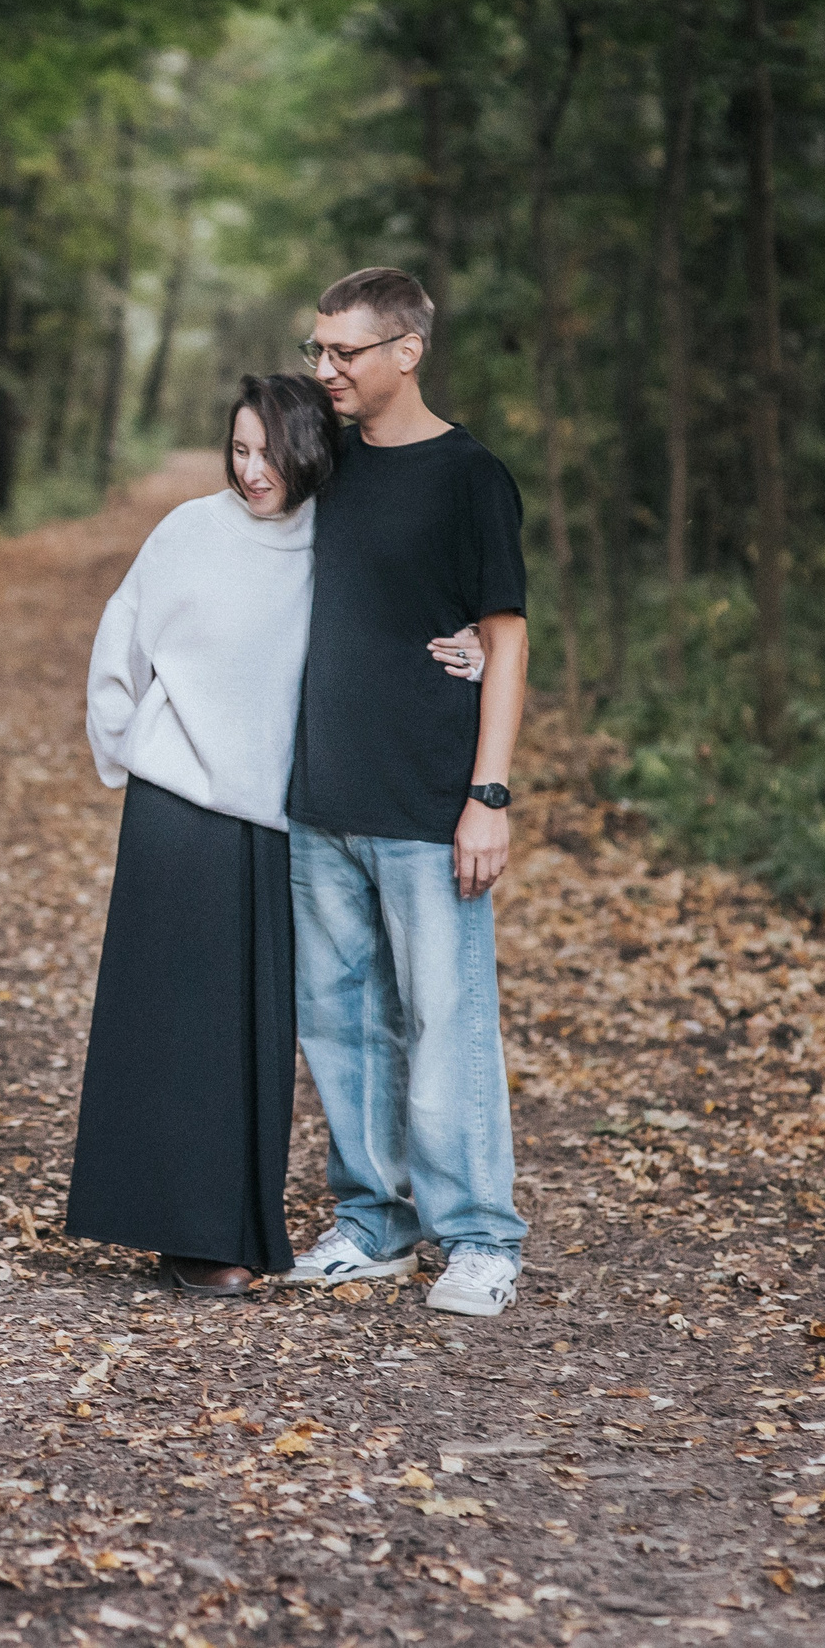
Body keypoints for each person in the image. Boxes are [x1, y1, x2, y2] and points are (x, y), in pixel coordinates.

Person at [65, 374, 483, 1296]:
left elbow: (408, 622)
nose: (253, 471)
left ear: (313, 453)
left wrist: (478, 646)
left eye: (271, 453)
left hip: (281, 816)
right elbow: (119, 642)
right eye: (239, 449)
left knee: (251, 1029)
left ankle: (235, 1225)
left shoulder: (337, 539)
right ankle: (182, 1229)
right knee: (174, 1019)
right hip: (177, 804)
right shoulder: (189, 530)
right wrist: (126, 754)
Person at [283, 267, 533, 1317]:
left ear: (406, 350)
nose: (325, 369)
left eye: (344, 351)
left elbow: (506, 643)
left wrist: (489, 795)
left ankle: (480, 1239)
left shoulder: (471, 478)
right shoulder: (321, 464)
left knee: (446, 1023)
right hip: (317, 801)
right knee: (342, 1026)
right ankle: (373, 1225)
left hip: (429, 803)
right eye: (317, 349)